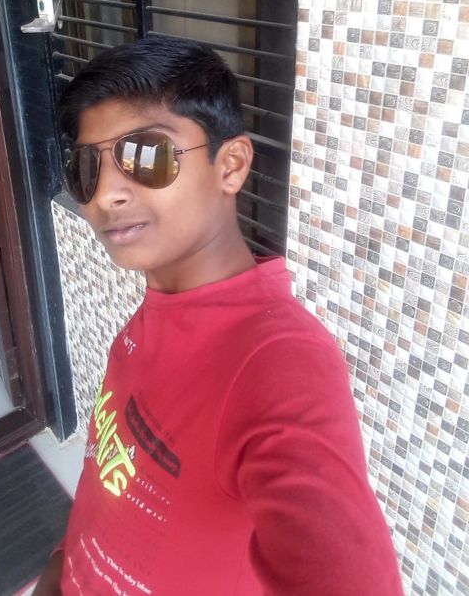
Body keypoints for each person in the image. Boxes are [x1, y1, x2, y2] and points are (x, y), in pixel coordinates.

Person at [34, 36, 403, 595]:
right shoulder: (153, 315)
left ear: (230, 166)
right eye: (88, 167)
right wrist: (62, 565)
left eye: (147, 155)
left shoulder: (278, 362)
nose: (105, 194)